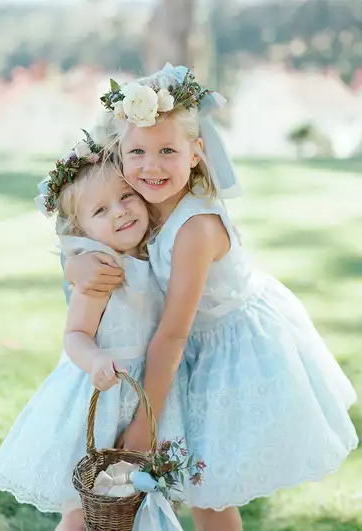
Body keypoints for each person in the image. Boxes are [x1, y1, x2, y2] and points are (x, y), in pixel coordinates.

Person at [66, 64, 358, 531]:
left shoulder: (196, 228)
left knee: (211, 487)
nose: (152, 165)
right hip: (183, 348)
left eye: (168, 150)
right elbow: (95, 231)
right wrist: (74, 262)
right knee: (202, 485)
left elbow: (173, 334)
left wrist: (144, 426)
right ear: (119, 156)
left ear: (197, 152)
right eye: (137, 151)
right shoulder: (143, 207)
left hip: (226, 349)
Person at [0, 134, 185, 531]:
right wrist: (95, 360)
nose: (120, 212)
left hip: (143, 393)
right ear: (82, 229)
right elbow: (75, 334)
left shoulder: (152, 253)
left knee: (136, 505)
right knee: (84, 510)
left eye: (127, 196)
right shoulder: (100, 267)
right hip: (101, 398)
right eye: (101, 210)